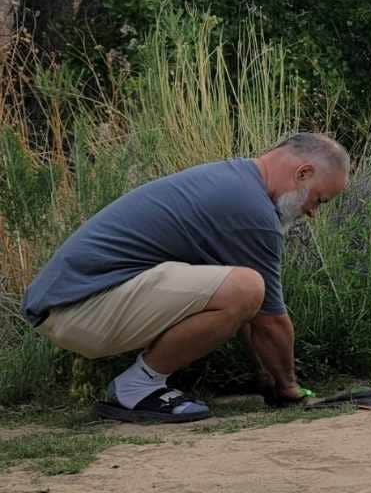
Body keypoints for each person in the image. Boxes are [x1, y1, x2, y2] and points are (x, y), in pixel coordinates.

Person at [20, 133, 351, 423]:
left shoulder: (236, 182)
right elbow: (270, 320)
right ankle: (138, 386)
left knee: (243, 289)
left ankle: (143, 382)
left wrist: (267, 378)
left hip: (73, 303)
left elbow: (252, 314)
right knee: (246, 287)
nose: (313, 212)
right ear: (303, 173)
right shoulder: (252, 211)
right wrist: (289, 387)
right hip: (80, 309)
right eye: (319, 200)